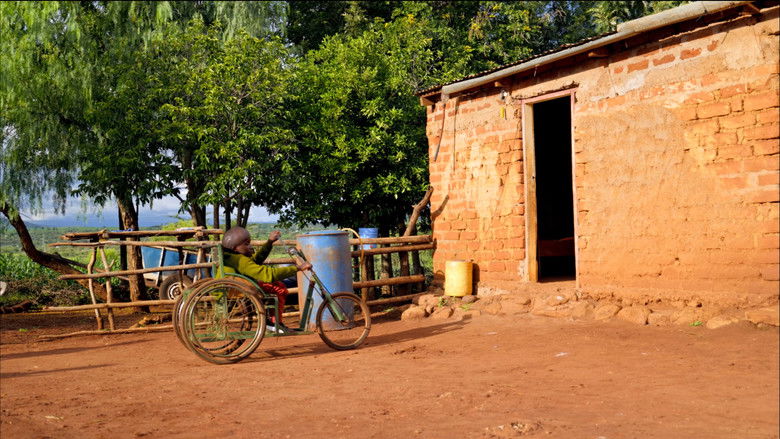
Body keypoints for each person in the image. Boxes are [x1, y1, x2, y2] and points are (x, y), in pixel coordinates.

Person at [221, 227, 311, 331]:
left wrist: (269, 242)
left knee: (275, 286)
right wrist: (298, 268)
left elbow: (255, 261)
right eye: (246, 244)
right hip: (239, 287)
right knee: (279, 288)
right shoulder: (239, 260)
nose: (250, 247)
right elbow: (268, 274)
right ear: (235, 248)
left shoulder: (231, 256)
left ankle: (272, 320)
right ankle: (273, 323)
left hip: (236, 285)